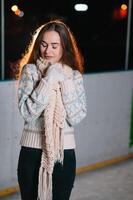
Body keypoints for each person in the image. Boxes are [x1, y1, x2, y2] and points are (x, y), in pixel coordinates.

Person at [17, 18, 87, 200]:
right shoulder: (30, 71)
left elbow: (76, 116)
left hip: (64, 154)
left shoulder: (74, 76)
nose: (48, 51)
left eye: (54, 46)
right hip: (31, 151)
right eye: (44, 45)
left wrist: (64, 81)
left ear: (64, 47)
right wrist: (47, 80)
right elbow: (27, 112)